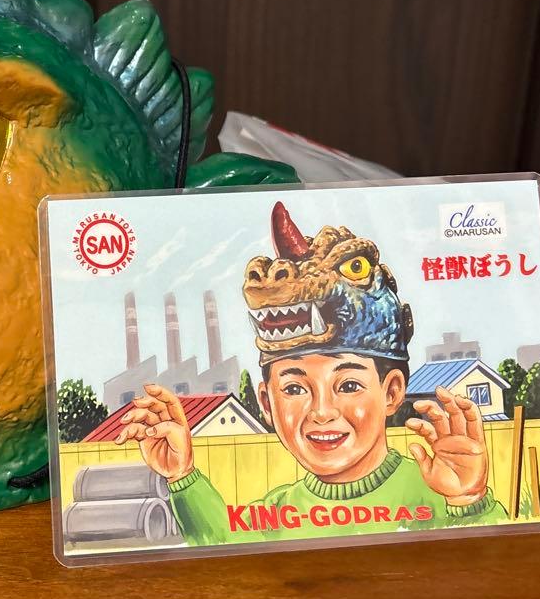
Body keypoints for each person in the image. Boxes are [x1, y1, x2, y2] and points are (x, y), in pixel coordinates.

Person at [116, 202, 507, 543]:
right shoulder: (274, 513)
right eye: (294, 389)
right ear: (266, 403)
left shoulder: (438, 491)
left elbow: (491, 571)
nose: (322, 412)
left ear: (391, 392)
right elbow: (220, 547)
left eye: (348, 385)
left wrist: (468, 501)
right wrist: (182, 476)